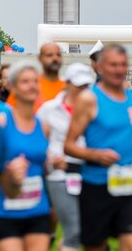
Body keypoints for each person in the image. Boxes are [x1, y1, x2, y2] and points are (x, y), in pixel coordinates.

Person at [64, 44, 132, 251]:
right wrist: (95, 155)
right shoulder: (88, 99)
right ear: (100, 68)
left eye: (123, 64)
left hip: (130, 184)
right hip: (97, 185)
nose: (118, 70)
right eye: (113, 65)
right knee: (96, 246)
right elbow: (69, 146)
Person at [0, 59, 52, 251]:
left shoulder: (44, 126)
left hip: (37, 208)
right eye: (25, 81)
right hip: (5, 210)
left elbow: (43, 166)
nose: (32, 86)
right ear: (13, 87)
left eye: (35, 81)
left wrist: (54, 164)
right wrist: (9, 173)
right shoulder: (0, 123)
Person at [38, 63, 96, 251]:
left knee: (91, 230)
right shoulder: (50, 109)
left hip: (90, 173)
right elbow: (38, 140)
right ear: (67, 83)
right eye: (78, 85)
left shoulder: (96, 108)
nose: (82, 90)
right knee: (74, 231)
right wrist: (49, 157)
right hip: (60, 174)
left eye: (86, 86)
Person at [9, 43, 65, 112]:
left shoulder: (69, 88)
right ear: (40, 58)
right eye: (49, 55)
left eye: (58, 55)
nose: (55, 58)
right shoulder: (27, 87)